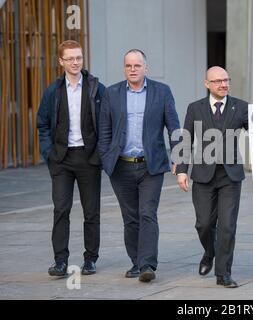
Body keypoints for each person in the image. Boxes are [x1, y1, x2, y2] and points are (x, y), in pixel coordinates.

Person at [98, 49, 180, 283]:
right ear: (124, 68)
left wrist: (178, 158)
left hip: (150, 166)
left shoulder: (161, 92)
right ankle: (136, 262)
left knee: (147, 213)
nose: (132, 69)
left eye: (137, 65)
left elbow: (173, 127)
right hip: (121, 167)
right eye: (128, 66)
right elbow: (104, 129)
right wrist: (106, 159)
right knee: (130, 217)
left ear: (146, 67)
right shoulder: (112, 93)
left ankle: (147, 265)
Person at [37, 40, 105, 277]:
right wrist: (49, 154)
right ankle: (60, 262)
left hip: (89, 159)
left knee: (91, 212)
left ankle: (90, 259)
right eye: (70, 58)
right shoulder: (53, 91)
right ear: (61, 62)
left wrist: (100, 154)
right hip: (62, 160)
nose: (75, 62)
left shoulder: (96, 88)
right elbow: (42, 124)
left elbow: (106, 122)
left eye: (79, 57)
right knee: (61, 210)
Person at [176, 66, 248, 288]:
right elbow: (186, 139)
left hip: (230, 176)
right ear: (207, 84)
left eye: (226, 80)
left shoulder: (241, 106)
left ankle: (223, 273)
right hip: (203, 175)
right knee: (204, 224)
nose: (223, 84)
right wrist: (181, 170)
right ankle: (210, 252)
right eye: (217, 81)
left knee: (227, 226)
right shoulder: (195, 108)